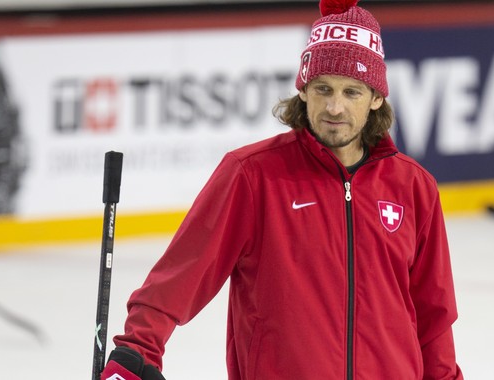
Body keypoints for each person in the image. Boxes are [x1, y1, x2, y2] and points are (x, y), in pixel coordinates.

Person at [101, 0, 463, 378]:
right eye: (323, 88)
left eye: (352, 92)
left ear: (376, 98)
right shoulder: (253, 175)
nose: (335, 107)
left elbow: (434, 317)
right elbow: (182, 274)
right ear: (303, 90)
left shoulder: (414, 187)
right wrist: (138, 348)